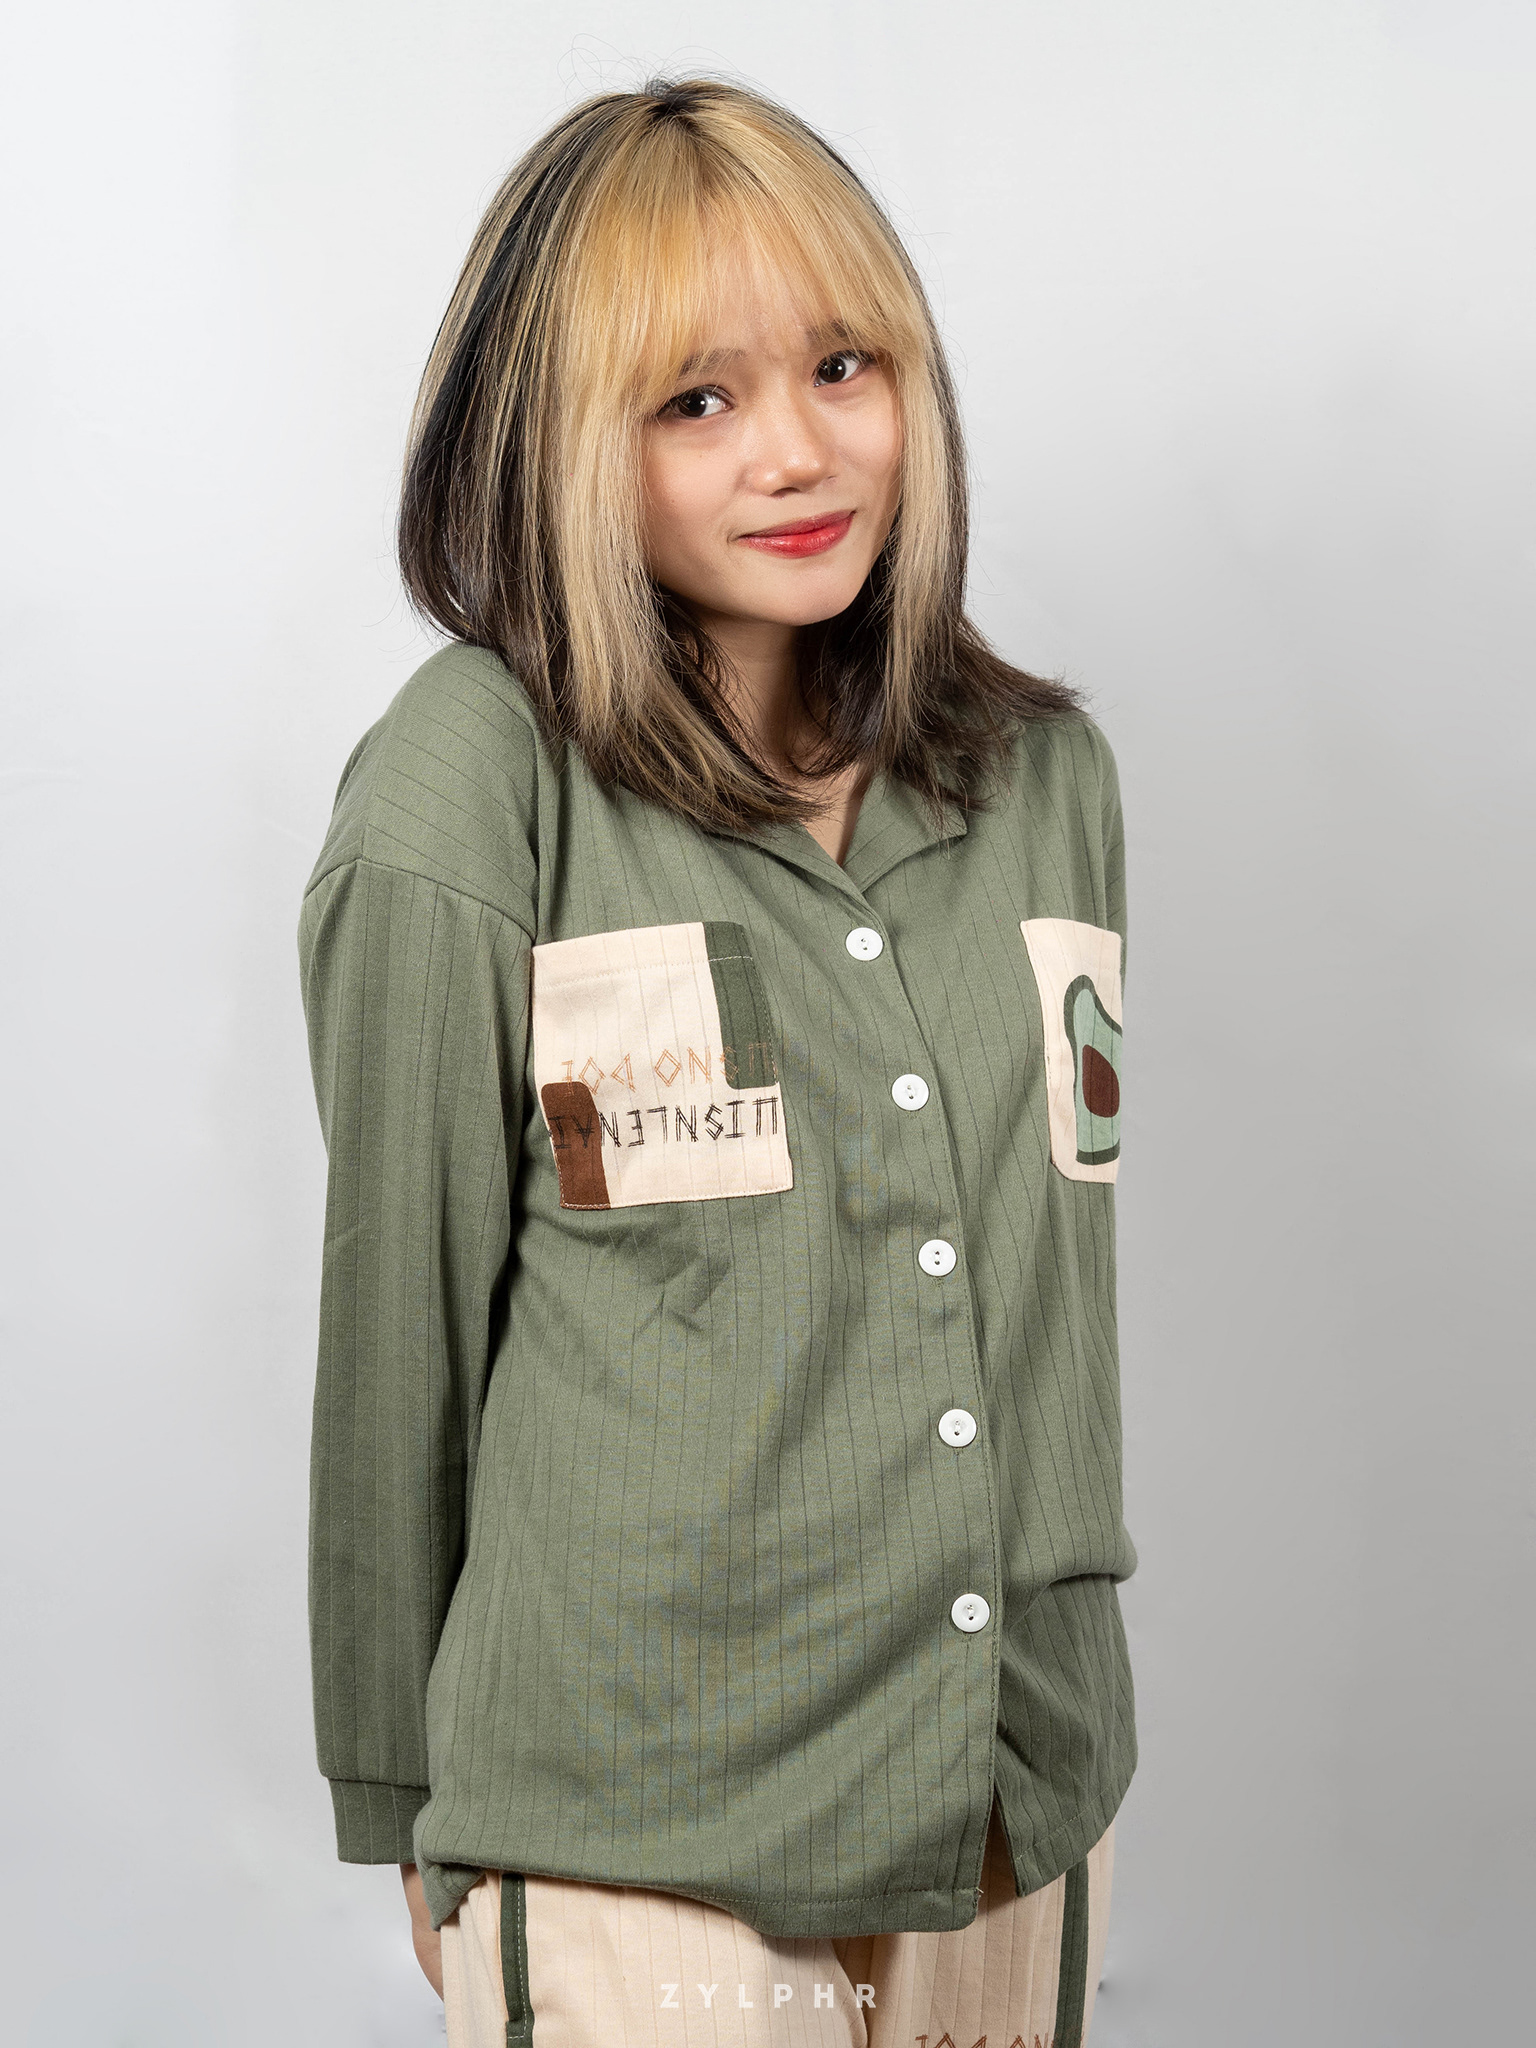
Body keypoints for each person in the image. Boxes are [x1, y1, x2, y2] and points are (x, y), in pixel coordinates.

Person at [298, 75, 1136, 2048]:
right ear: (552, 441)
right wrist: (405, 1800)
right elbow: (399, 1325)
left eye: (846, 365)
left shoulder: (1046, 785)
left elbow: (1056, 1294)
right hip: (630, 1823)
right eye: (695, 399)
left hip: (1010, 1795)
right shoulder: (469, 789)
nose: (798, 451)